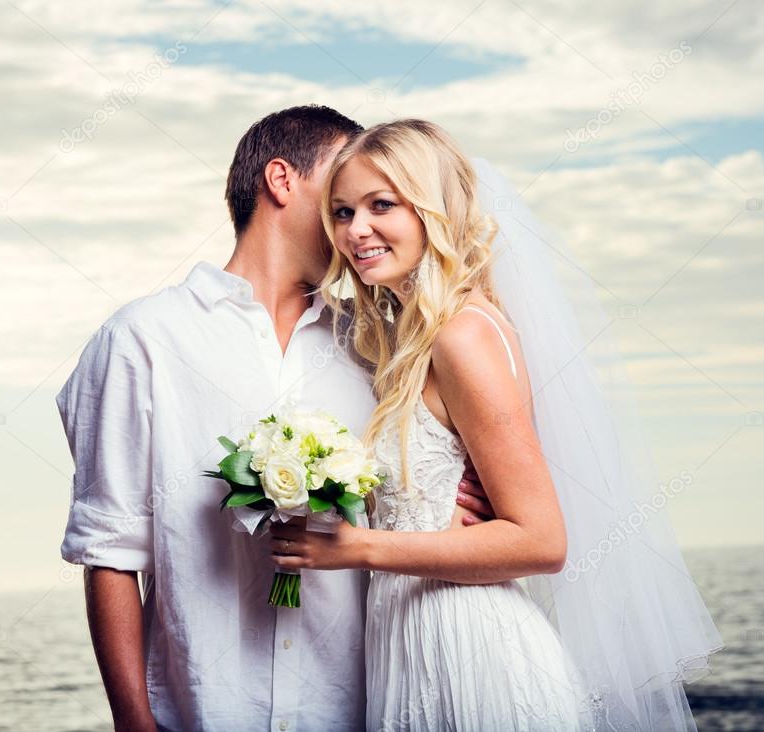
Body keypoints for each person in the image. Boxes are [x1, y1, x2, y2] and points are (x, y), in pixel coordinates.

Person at [270, 119, 723, 730]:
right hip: (407, 643)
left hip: (473, 650)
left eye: (382, 205)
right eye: (344, 211)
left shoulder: (463, 335)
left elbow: (541, 541)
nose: (357, 231)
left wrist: (361, 548)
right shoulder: (408, 338)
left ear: (435, 211)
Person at [54, 106, 495, 732]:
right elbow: (110, 549)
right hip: (206, 710)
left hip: (362, 709)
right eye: (340, 196)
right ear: (282, 181)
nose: (355, 223)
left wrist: (439, 515)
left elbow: (433, 486)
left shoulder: (375, 345)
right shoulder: (143, 339)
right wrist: (135, 722)